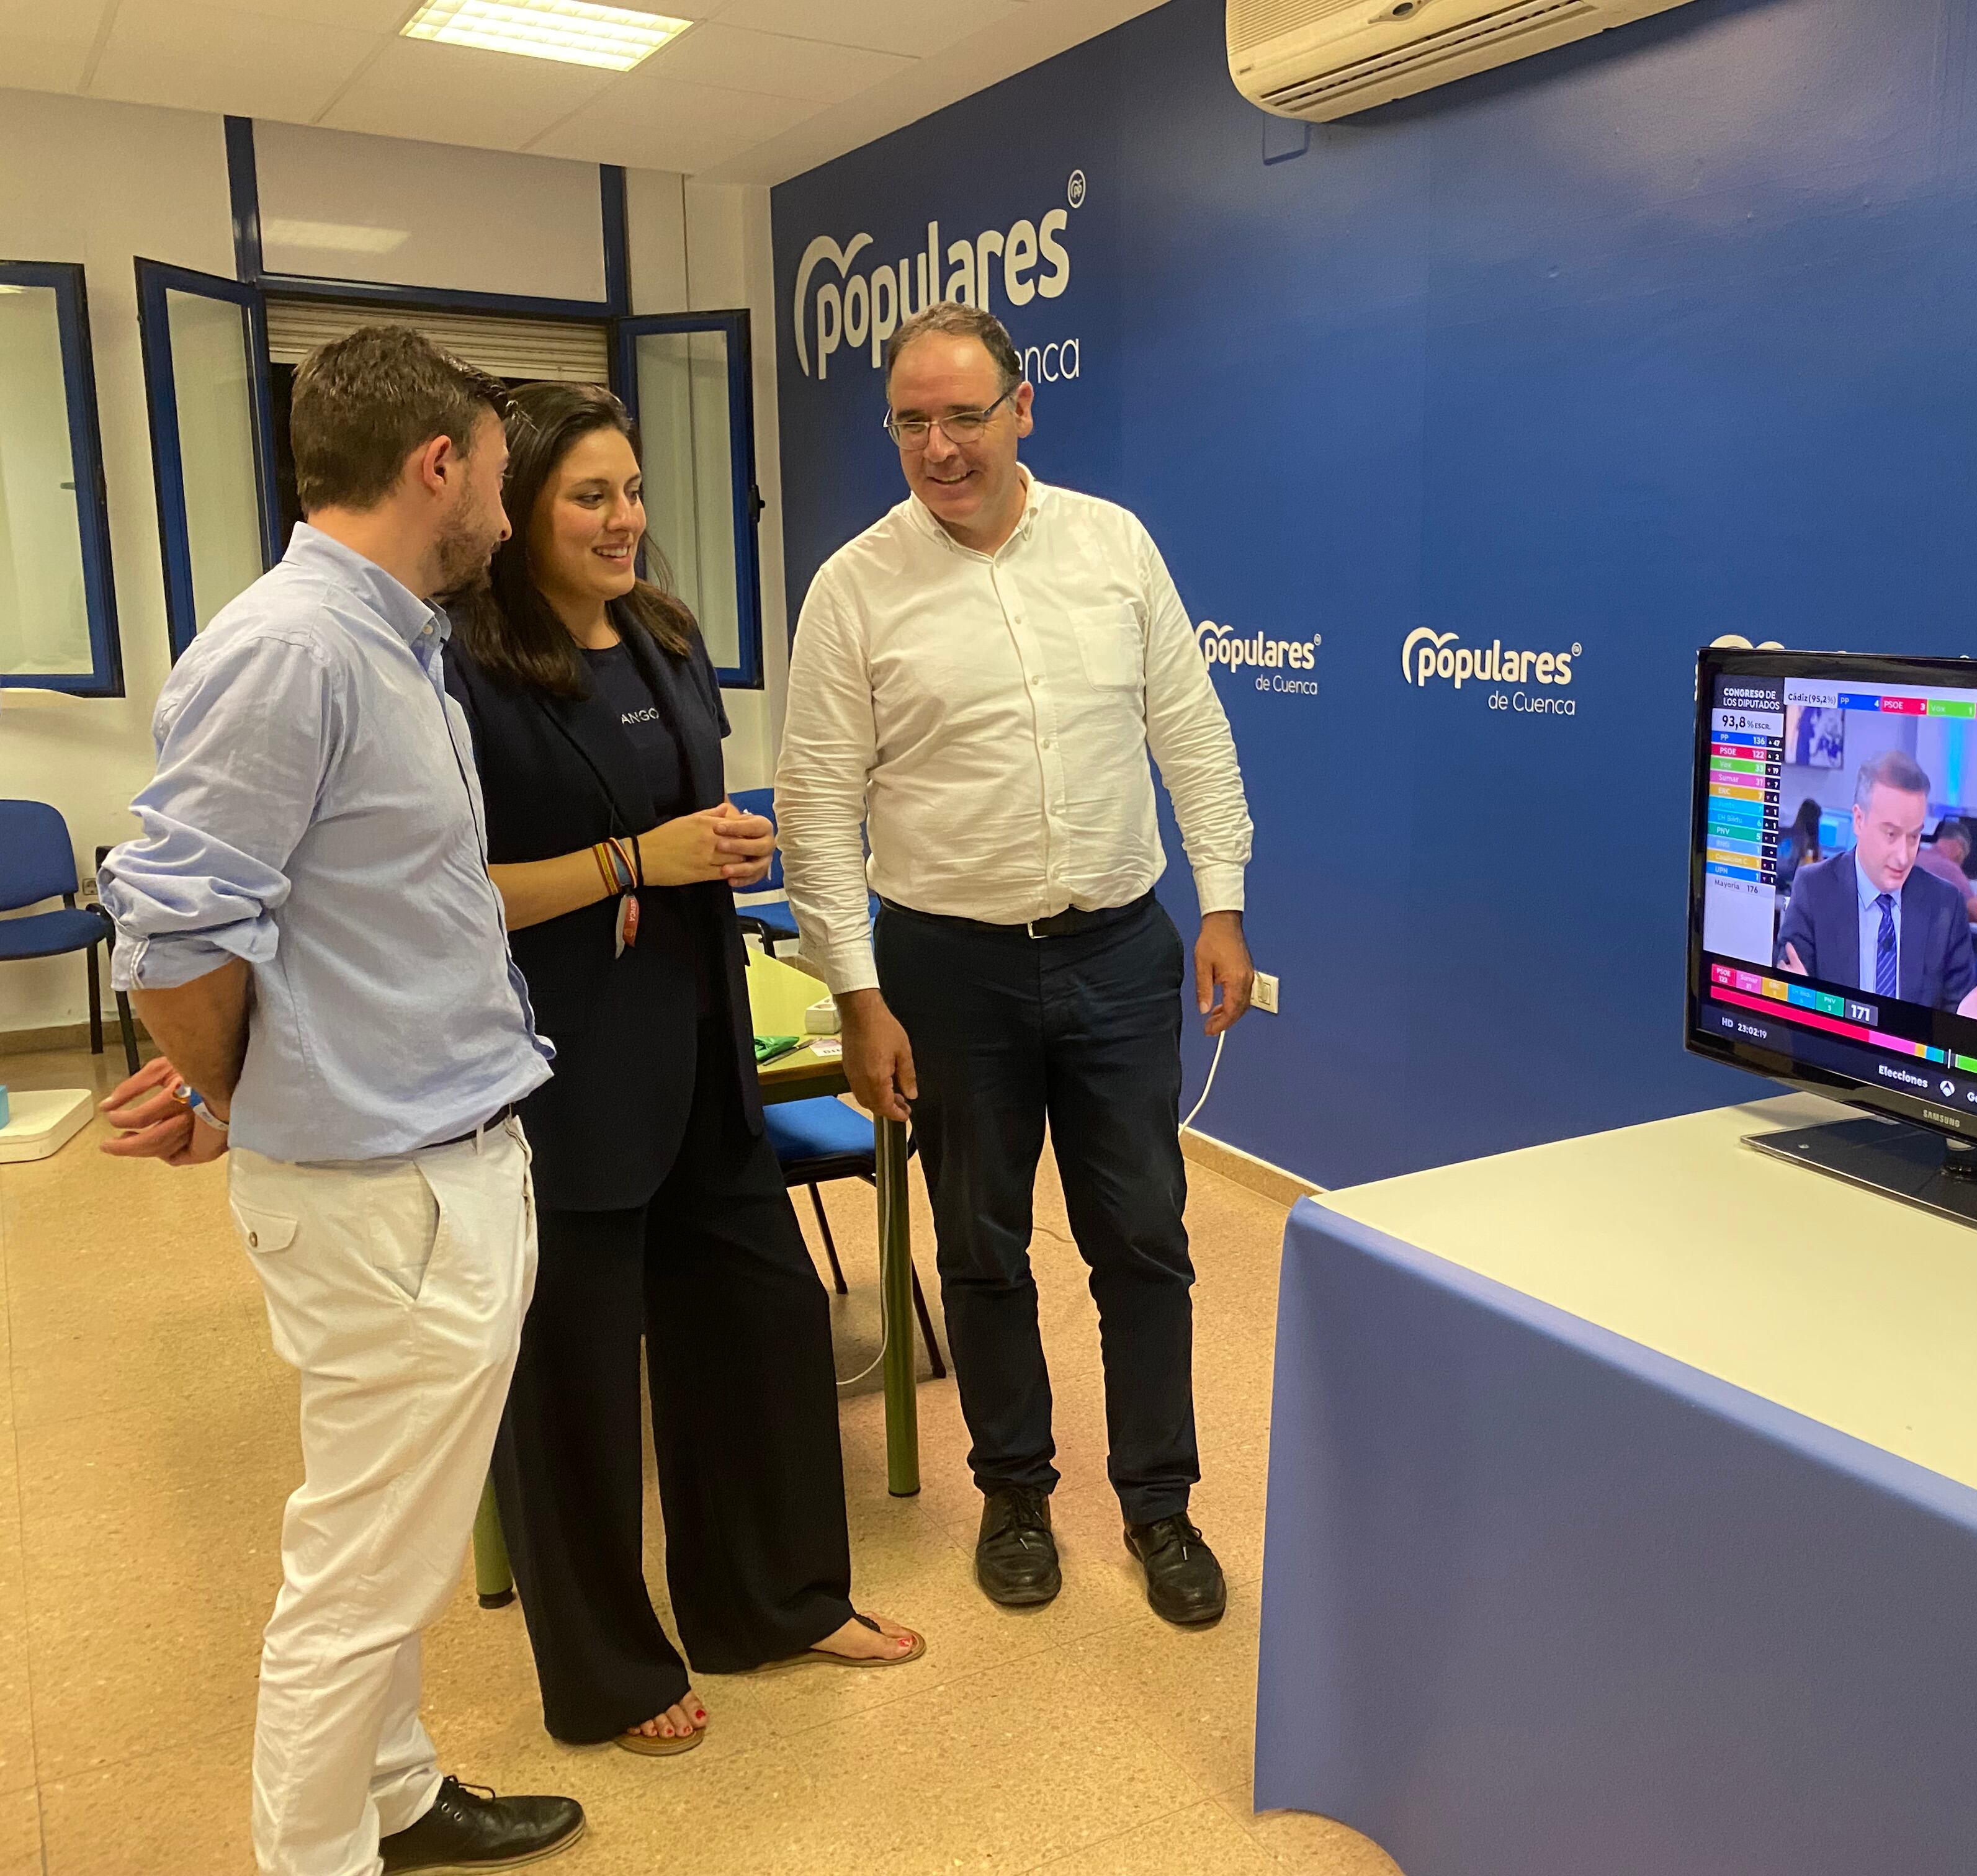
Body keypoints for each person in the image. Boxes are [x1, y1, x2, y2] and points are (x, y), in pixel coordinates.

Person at [92, 327, 585, 1876]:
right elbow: (171, 931)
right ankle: (319, 1856)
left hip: (428, 1165)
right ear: (437, 466)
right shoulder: (294, 646)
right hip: (381, 1192)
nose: (508, 522)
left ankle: (395, 1792)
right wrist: (240, 1092)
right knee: (361, 1570)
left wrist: (254, 1085)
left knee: (395, 1537)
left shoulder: (392, 640)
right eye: (502, 485)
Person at [443, 383, 925, 1758]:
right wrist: (631, 864)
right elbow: (447, 893)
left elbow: (682, 826)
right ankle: (603, 1670)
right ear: (520, 505)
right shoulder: (465, 671)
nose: (624, 520)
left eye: (633, 492)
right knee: (578, 1386)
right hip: (563, 1076)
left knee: (761, 1334)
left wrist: (724, 848)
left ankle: (771, 1601)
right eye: (590, 496)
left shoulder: (662, 634)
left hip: (708, 1052)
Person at [778, 302, 1255, 1627]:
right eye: (911, 422)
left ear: (1022, 406)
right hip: (947, 972)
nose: (939, 446)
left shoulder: (1113, 547)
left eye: (963, 414)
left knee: (1144, 1245)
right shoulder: (854, 587)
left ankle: (1159, 1507)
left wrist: (1222, 902)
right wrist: (857, 994)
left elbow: (1192, 735)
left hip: (1117, 949)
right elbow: (817, 805)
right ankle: (1015, 1494)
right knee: (981, 1250)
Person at [1778, 750, 1977, 1025]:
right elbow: (1788, 1004)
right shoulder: (1814, 888)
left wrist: (1965, 1027)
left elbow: (1954, 1017)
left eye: (1914, 837)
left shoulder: (1945, 906)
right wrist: (1795, 999)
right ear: (1859, 821)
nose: (1903, 856)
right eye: (1891, 834)